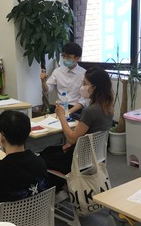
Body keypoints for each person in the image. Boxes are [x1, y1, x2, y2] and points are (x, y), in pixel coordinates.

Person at [39, 66, 114, 196]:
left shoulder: (90, 110)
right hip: (93, 157)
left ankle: (54, 190)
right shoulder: (108, 107)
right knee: (50, 151)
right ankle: (63, 186)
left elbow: (72, 138)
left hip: (78, 160)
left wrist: (61, 116)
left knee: (43, 157)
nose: (82, 86)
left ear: (94, 87)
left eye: (84, 83)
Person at [40, 43, 86, 117]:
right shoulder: (58, 71)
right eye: (63, 56)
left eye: (68, 57)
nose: (65, 59)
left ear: (77, 58)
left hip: (76, 109)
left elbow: (84, 100)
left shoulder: (84, 74)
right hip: (60, 107)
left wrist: (67, 112)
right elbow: (47, 91)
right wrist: (43, 82)